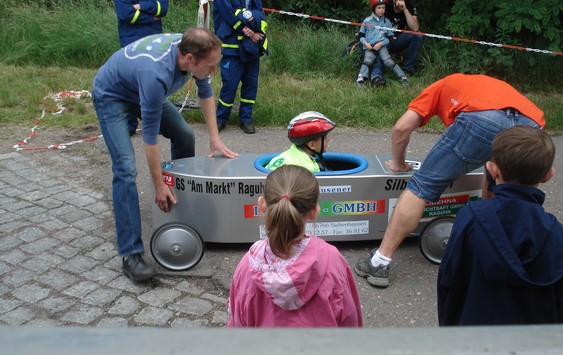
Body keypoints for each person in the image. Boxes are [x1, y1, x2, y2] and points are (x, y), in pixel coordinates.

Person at [354, 73, 546, 288]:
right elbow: (490, 171)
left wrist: (399, 164)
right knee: (510, 190)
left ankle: (379, 261)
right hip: (532, 125)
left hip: (482, 119)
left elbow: (402, 127)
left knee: (421, 187)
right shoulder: (483, 85)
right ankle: (504, 257)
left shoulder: (440, 86)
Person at [92, 28, 238, 282]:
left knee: (185, 136)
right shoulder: (156, 75)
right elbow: (149, 140)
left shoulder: (196, 50)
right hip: (112, 95)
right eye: (211, 66)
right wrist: (158, 184)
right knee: (125, 168)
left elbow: (205, 93)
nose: (214, 71)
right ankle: (131, 254)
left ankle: (179, 208)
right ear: (190, 59)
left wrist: (214, 137)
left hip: (140, 87)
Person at [438, 126, 563, 325]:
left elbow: (449, 281)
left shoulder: (470, 218)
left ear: (493, 169)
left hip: (471, 339)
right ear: (548, 175)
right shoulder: (559, 236)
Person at [227, 165, 363, 327]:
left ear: (262, 205)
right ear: (314, 211)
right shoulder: (331, 261)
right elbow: (349, 321)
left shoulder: (247, 267)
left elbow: (237, 325)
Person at [113, 0, 170, 135]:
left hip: (153, 40)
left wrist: (141, 6)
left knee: (154, 82)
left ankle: (155, 123)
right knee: (130, 83)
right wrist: (151, 17)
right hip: (131, 41)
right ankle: (130, 125)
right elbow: (126, 14)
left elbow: (163, 8)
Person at [213, 0, 268, 134]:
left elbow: (260, 13)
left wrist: (257, 28)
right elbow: (228, 15)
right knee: (229, 85)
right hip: (232, 46)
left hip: (251, 47)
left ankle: (246, 119)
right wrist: (248, 31)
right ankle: (220, 119)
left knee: (250, 85)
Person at [370, 0, 422, 86]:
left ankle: (407, 68)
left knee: (417, 35)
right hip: (382, 38)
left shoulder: (409, 5)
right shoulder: (385, 5)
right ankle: (377, 77)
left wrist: (405, 10)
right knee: (379, 47)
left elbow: (415, 28)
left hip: (397, 39)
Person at [356, 0, 408, 89]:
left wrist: (381, 43)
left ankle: (403, 77)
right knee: (368, 60)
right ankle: (360, 80)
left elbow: (390, 38)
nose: (381, 10)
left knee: (388, 61)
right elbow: (360, 36)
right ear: (373, 8)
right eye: (379, 8)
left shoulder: (387, 22)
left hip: (381, 46)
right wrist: (365, 43)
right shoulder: (367, 21)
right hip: (369, 46)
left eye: (383, 8)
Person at [265, 111, 336, 172]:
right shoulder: (308, 169)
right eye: (324, 138)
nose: (328, 140)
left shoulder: (285, 156)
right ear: (312, 145)